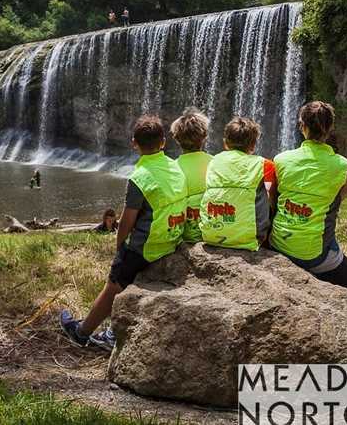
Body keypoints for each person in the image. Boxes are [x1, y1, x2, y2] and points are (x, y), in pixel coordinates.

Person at [59, 115, 186, 350]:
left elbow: (127, 220)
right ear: (163, 142)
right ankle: (111, 330)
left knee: (114, 284)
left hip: (148, 246)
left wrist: (120, 245)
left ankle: (81, 332)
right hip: (172, 238)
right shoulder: (174, 166)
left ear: (134, 143)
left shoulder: (140, 177)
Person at [270, 101, 347, 293]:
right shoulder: (342, 166)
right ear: (330, 128)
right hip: (314, 255)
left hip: (278, 245)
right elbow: (337, 202)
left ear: (301, 126)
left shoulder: (280, 159)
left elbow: (274, 200)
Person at [199, 117, 270, 251]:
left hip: (211, 235)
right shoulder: (264, 164)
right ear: (253, 145)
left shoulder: (213, 161)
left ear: (225, 143)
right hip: (249, 239)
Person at [170, 108, 213, 243]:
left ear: (176, 138)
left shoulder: (172, 168)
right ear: (205, 136)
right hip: (212, 230)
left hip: (182, 234)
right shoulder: (215, 163)